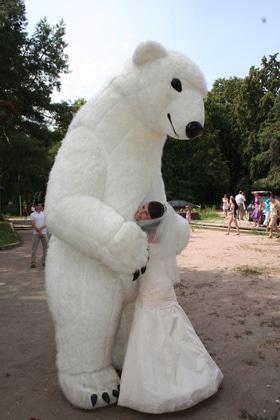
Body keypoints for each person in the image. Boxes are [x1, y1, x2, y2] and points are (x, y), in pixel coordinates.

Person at [118, 201, 223, 414]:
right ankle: (186, 371)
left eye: (145, 211)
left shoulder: (140, 235)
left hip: (153, 286)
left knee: (153, 323)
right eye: (142, 207)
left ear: (153, 219)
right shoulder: (160, 234)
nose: (140, 211)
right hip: (160, 282)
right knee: (168, 324)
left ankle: (159, 383)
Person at [30, 202, 48, 268]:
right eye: (38, 205)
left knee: (46, 248)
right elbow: (33, 224)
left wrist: (41, 230)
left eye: (41, 205)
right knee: (34, 248)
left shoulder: (44, 214)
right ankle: (33, 263)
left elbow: (46, 223)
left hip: (44, 233)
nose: (40, 206)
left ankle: (44, 262)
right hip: (36, 234)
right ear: (36, 206)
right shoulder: (33, 214)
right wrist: (38, 230)